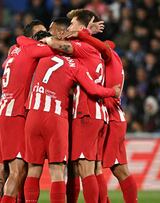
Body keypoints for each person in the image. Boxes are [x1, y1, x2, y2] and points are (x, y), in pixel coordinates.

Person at [24, 31, 120, 203]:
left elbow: (22, 42)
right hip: (55, 118)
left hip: (33, 115)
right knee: (58, 172)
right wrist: (113, 91)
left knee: (33, 169)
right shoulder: (74, 65)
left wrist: (45, 40)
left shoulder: (42, 56)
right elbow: (93, 89)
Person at [41, 10, 111, 203]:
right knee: (92, 167)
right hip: (96, 113)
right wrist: (88, 31)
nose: (69, 28)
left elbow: (56, 44)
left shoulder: (81, 47)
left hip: (86, 112)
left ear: (80, 28)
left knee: (84, 167)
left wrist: (45, 39)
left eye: (71, 24)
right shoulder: (94, 49)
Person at [0, 20, 55, 203]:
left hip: (0, 111)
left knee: (1, 171)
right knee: (18, 171)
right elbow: (59, 49)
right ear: (31, 38)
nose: (44, 37)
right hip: (15, 114)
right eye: (40, 34)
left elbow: (6, 65)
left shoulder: (14, 50)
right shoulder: (32, 49)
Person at [73, 28, 139, 203]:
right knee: (96, 167)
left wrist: (81, 35)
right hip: (109, 115)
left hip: (112, 116)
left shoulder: (110, 56)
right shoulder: (107, 58)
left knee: (119, 169)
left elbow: (105, 47)